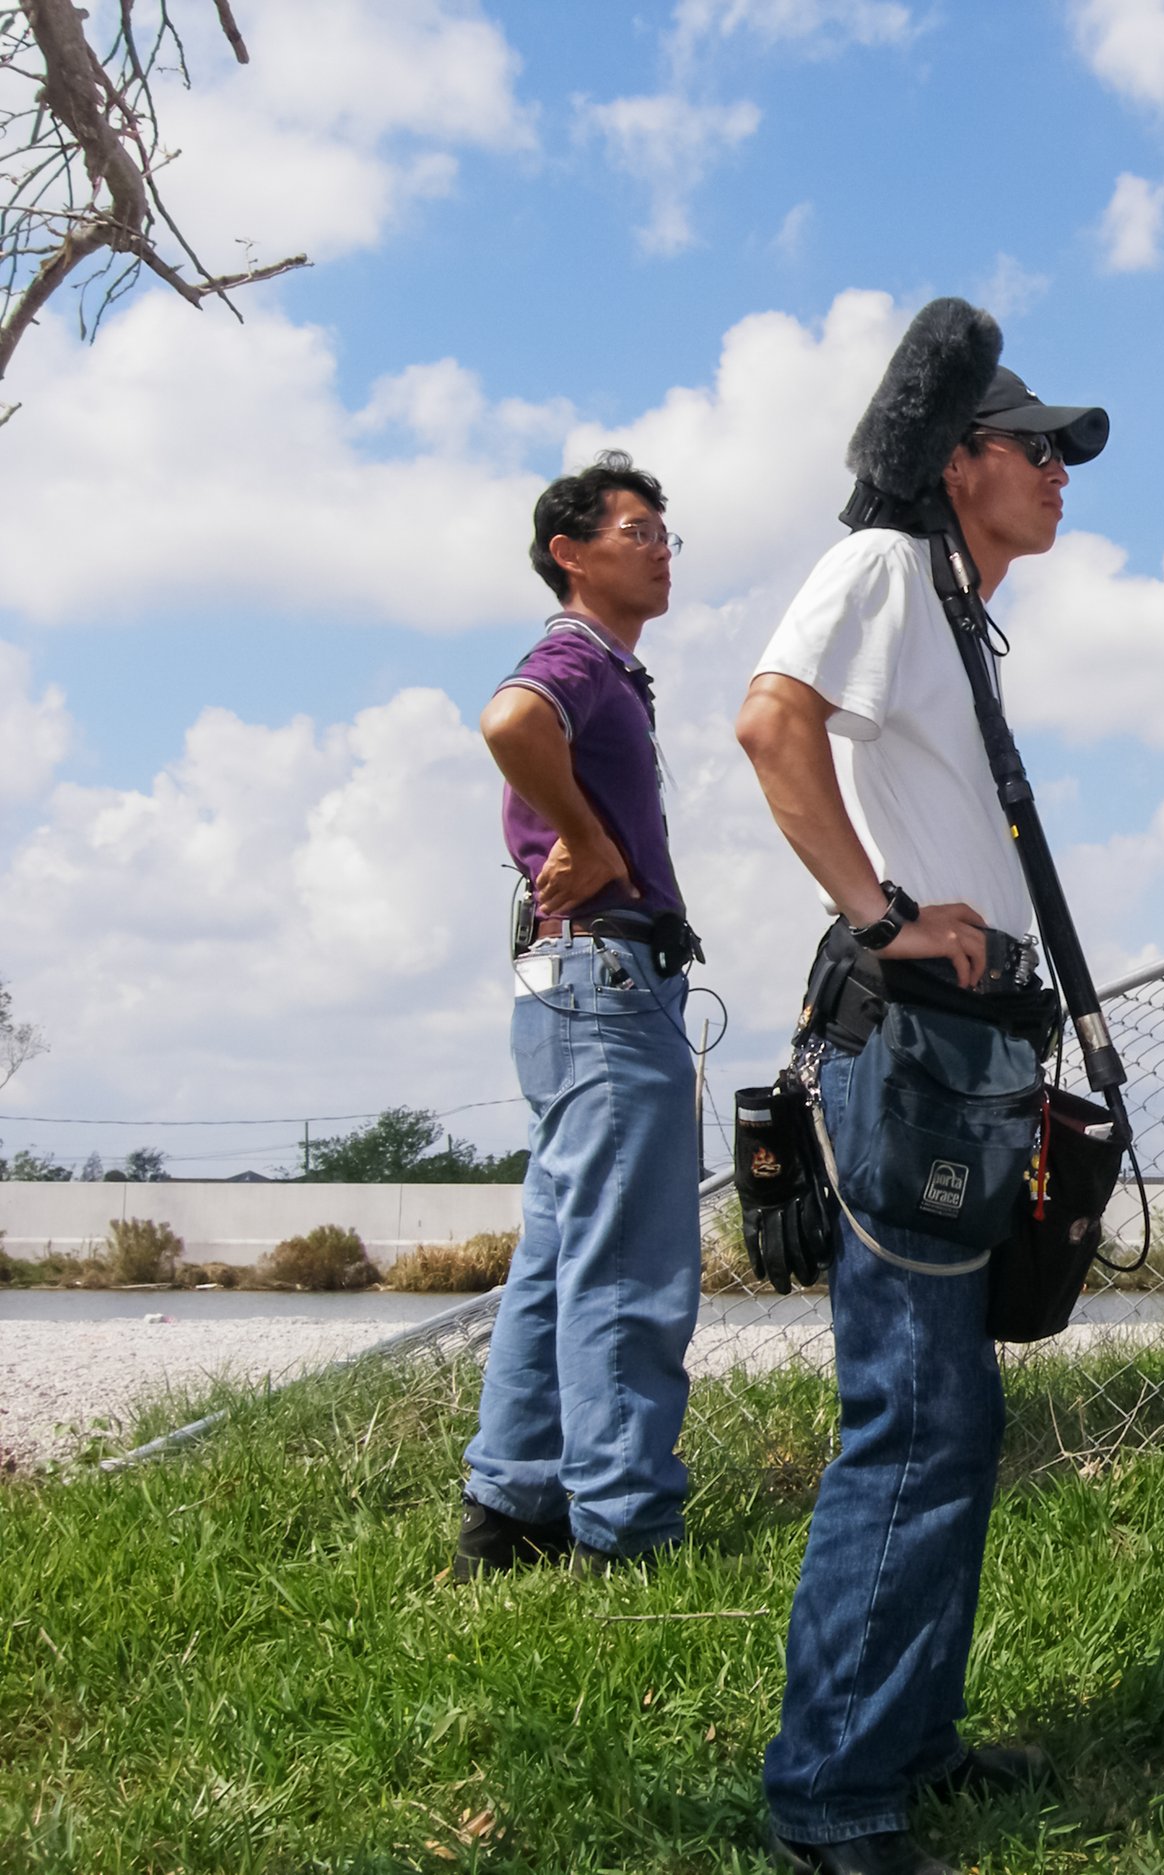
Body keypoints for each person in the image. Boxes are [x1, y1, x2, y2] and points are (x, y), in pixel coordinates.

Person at [736, 353, 1108, 1875]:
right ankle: (833, 1797)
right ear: (958, 459)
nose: (1058, 471)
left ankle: (907, 1734)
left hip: (965, 1050)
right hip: (914, 1049)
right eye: (1034, 445)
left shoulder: (957, 606)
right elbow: (772, 725)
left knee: (953, 1410)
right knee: (909, 1419)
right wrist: (879, 911)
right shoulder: (886, 561)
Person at [456, 450, 703, 1578]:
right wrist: (591, 839)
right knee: (632, 1264)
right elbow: (511, 722)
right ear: (571, 552)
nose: (658, 550)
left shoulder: (608, 671)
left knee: (560, 1256)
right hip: (605, 986)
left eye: (664, 535)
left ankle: (510, 1516)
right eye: (637, 530)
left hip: (571, 985)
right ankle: (624, 1527)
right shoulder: (577, 654)